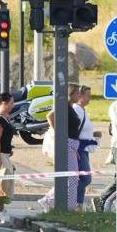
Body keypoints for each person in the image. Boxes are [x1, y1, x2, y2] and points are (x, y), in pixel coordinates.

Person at [39, 84, 81, 212]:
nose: (79, 95)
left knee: (71, 177)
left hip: (72, 144)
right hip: (66, 143)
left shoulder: (71, 107)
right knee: (72, 177)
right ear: (71, 94)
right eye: (77, 93)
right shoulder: (63, 105)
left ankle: (66, 205)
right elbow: (50, 116)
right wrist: (58, 134)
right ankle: (50, 201)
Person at [72, 85, 100, 209]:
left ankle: (78, 205)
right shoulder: (77, 110)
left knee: (82, 178)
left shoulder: (83, 110)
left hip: (84, 148)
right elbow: (74, 131)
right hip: (79, 148)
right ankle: (73, 202)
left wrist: (94, 135)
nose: (90, 98)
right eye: (88, 96)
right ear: (80, 96)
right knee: (86, 179)